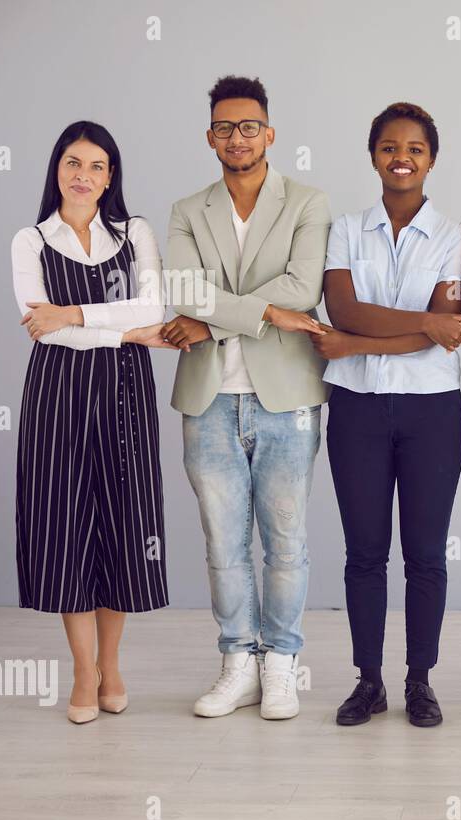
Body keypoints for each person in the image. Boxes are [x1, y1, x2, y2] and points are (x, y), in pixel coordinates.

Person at [162, 75, 332, 721]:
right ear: (211, 137)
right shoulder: (187, 210)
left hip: (286, 397)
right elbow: (183, 289)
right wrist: (257, 312)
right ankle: (239, 662)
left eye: (250, 126)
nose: (239, 137)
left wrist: (213, 319)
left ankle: (282, 664)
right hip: (208, 399)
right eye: (226, 127)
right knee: (222, 542)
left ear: (270, 132)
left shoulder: (306, 202)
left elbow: (302, 287)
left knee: (285, 540)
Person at [12, 121, 175, 723]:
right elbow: (39, 325)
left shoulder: (135, 233)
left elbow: (153, 307)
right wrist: (129, 333)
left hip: (124, 396)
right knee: (65, 529)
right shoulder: (29, 241)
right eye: (73, 163)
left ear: (112, 177)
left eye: (97, 166)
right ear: (57, 167)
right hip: (56, 395)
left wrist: (75, 315)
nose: (84, 175)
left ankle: (113, 663)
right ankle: (83, 670)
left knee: (123, 527)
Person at [315, 103, 461, 728]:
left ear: (431, 159)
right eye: (388, 146)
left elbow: (443, 333)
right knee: (364, 553)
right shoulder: (347, 229)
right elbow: (344, 308)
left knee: (427, 553)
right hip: (356, 408)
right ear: (373, 154)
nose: (400, 156)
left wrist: (356, 344)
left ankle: (420, 680)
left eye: (414, 148)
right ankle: (369, 680)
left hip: (432, 410)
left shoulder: (454, 234)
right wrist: (422, 323)